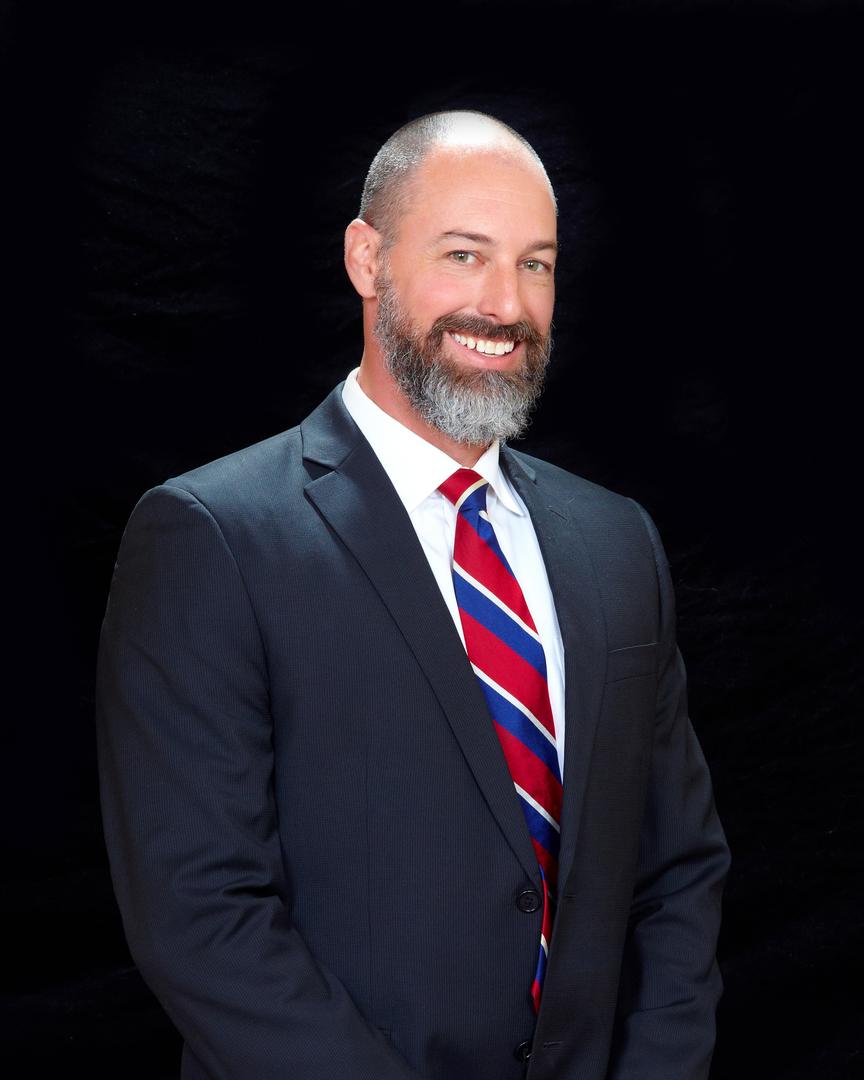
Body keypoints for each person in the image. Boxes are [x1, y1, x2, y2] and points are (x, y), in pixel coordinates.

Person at [96, 110, 730, 1080]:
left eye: (535, 264)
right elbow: (201, 916)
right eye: (464, 254)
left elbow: (677, 870)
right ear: (367, 258)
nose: (504, 304)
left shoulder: (616, 544)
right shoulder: (211, 536)